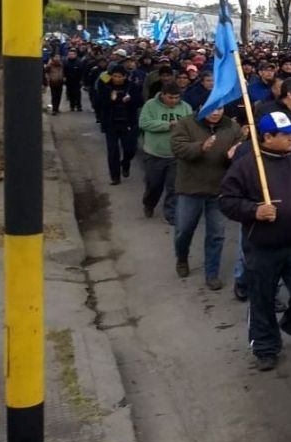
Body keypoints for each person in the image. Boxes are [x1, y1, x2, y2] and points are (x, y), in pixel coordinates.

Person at [220, 112, 291, 371]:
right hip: (262, 247)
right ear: (267, 137)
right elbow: (226, 200)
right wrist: (253, 211)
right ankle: (265, 347)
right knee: (263, 298)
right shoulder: (247, 166)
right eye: (286, 134)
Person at [170, 105, 242, 287]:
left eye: (220, 108)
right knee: (184, 230)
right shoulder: (186, 124)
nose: (216, 112)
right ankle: (182, 257)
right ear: (202, 107)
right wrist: (200, 147)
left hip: (219, 189)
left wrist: (234, 155)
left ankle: (212, 273)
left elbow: (241, 152)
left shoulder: (232, 127)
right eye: (212, 108)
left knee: (216, 234)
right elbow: (178, 149)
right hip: (190, 187)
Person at [138, 82, 192, 223]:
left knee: (173, 186)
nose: (174, 100)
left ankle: (171, 214)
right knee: (154, 184)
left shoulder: (186, 108)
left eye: (176, 97)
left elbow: (191, 126)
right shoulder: (150, 105)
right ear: (163, 95)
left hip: (175, 155)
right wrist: (167, 125)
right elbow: (144, 123)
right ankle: (149, 203)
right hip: (155, 153)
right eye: (170, 97)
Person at [97, 64, 142, 185]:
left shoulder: (131, 87)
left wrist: (130, 100)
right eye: (114, 76)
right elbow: (100, 102)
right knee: (113, 152)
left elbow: (139, 102)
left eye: (119, 76)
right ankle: (115, 177)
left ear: (125, 77)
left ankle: (125, 163)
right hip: (110, 123)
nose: (116, 79)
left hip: (127, 122)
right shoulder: (106, 86)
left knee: (130, 149)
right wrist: (110, 99)